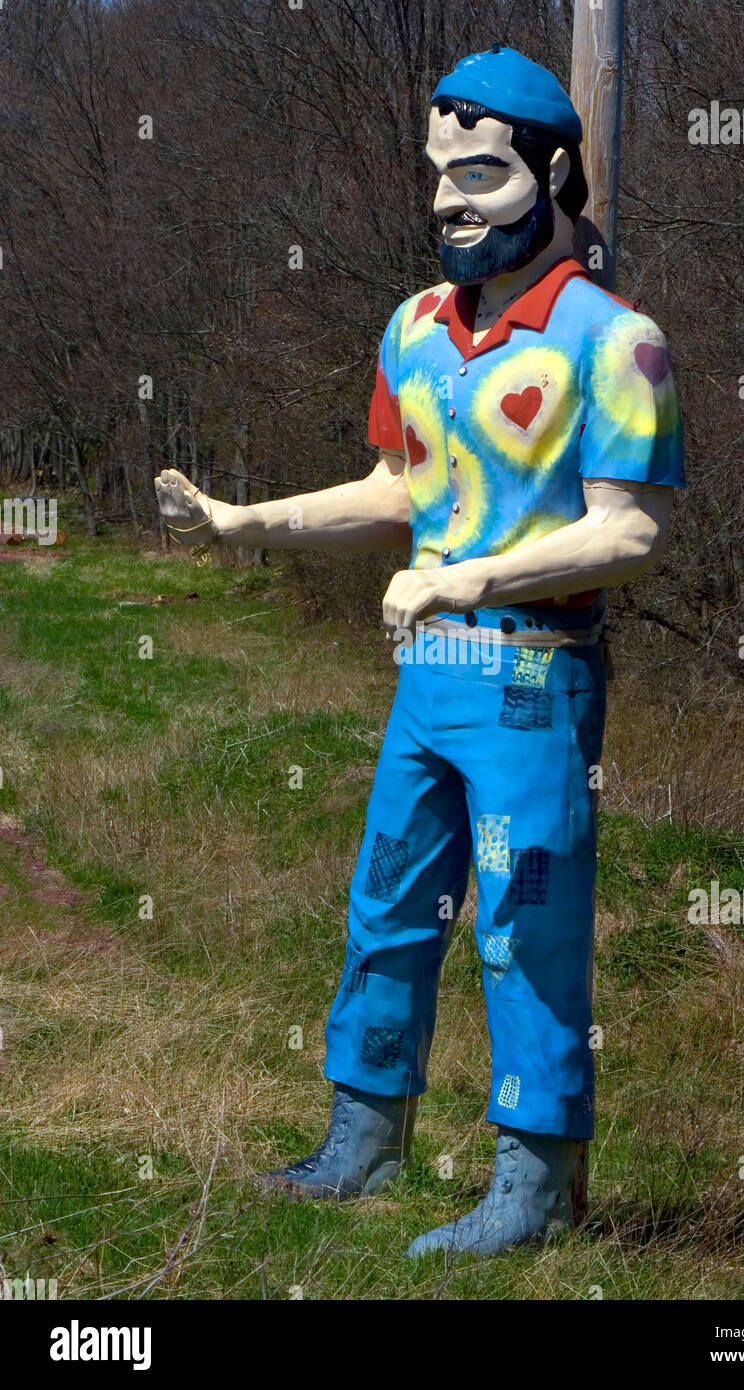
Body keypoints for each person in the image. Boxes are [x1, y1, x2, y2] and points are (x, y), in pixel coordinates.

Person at [155, 46, 685, 1258]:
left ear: (554, 172)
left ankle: (534, 1185)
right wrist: (249, 522)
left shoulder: (617, 342)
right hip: (426, 681)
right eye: (440, 173)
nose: (450, 199)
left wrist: (470, 574)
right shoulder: (412, 329)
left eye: (484, 173)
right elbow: (398, 486)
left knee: (524, 921)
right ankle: (363, 1134)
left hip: (533, 678)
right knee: (388, 900)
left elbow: (632, 530)